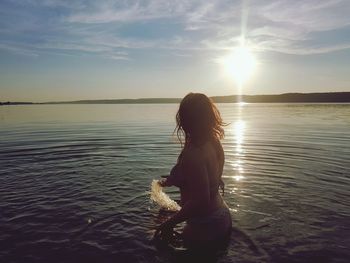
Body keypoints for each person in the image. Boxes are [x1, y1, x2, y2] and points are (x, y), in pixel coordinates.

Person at [155, 93, 232, 247]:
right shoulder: (213, 141)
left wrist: (169, 224)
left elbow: (201, 200)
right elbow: (212, 179)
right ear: (210, 116)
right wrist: (177, 180)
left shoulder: (193, 153)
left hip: (205, 225)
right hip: (222, 215)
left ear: (183, 120)